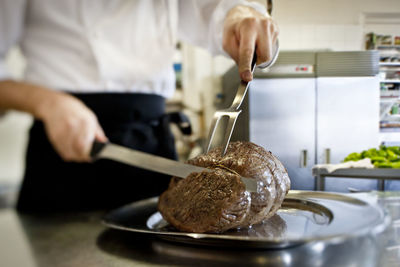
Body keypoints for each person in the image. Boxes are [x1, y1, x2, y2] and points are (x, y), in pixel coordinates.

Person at [0, 0, 279, 212]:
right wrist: (47, 103)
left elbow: (217, 10)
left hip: (150, 148)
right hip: (60, 158)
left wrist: (241, 16)